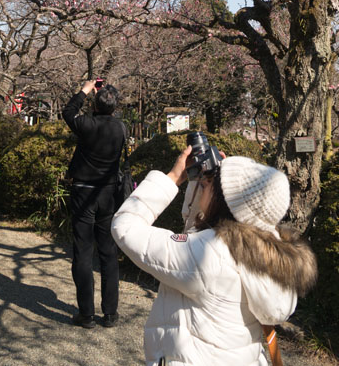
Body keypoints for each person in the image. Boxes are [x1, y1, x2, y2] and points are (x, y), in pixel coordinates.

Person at [112, 144, 318, 366]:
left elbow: (125, 228)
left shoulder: (209, 252)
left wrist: (172, 178)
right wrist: (223, 182)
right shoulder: (268, 253)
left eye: (207, 184)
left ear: (225, 201)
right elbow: (200, 229)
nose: (203, 185)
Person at [62, 79, 124, 329]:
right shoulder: (121, 128)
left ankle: (86, 314)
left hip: (83, 193)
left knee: (83, 252)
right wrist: (101, 97)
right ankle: (110, 313)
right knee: (108, 252)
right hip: (108, 194)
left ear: (95, 105)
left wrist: (85, 90)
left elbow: (67, 112)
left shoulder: (86, 124)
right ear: (115, 106)